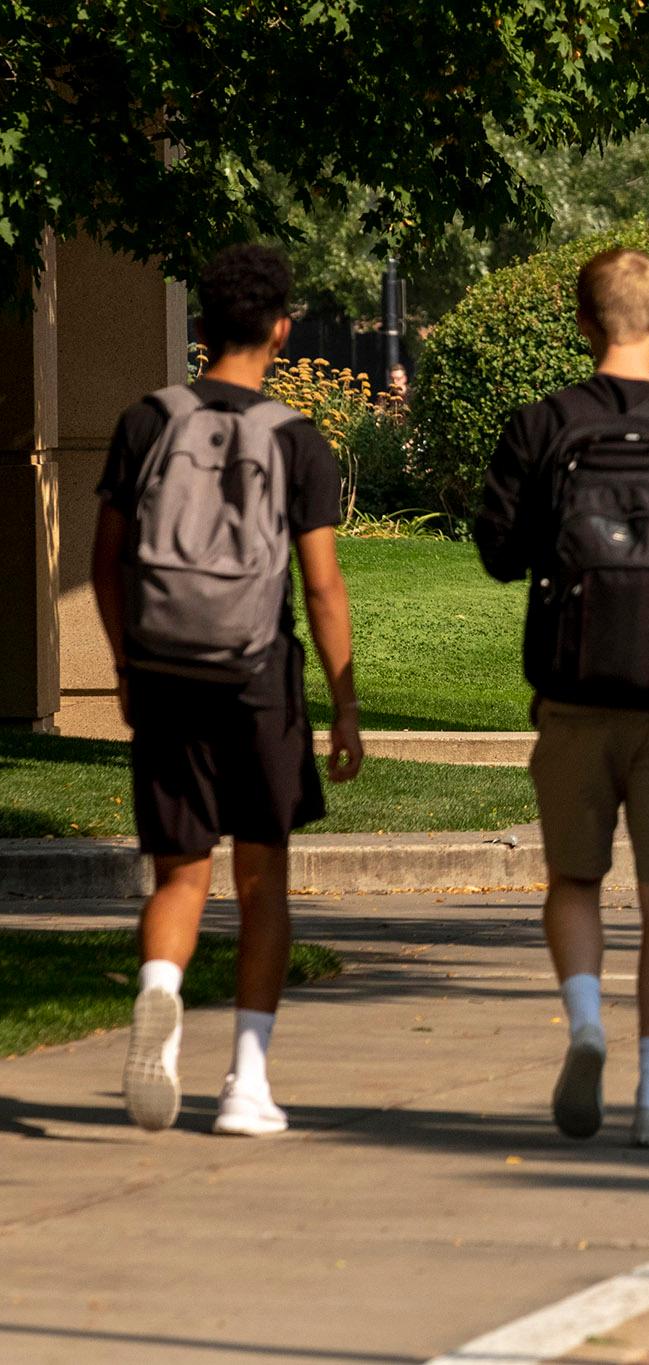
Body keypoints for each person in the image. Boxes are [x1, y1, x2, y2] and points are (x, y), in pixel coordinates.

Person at [476, 248, 649, 1148]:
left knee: (574, 878)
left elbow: (500, 553)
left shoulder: (541, 425)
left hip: (570, 691)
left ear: (583, 320)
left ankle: (587, 1021)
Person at [91, 243, 365, 1137]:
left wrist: (128, 664)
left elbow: (106, 558)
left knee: (179, 873)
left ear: (200, 323)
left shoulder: (146, 421)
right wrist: (345, 702)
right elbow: (320, 585)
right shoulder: (296, 439)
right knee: (261, 882)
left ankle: (160, 994)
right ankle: (246, 1083)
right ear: (283, 330)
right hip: (258, 679)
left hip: (166, 671)